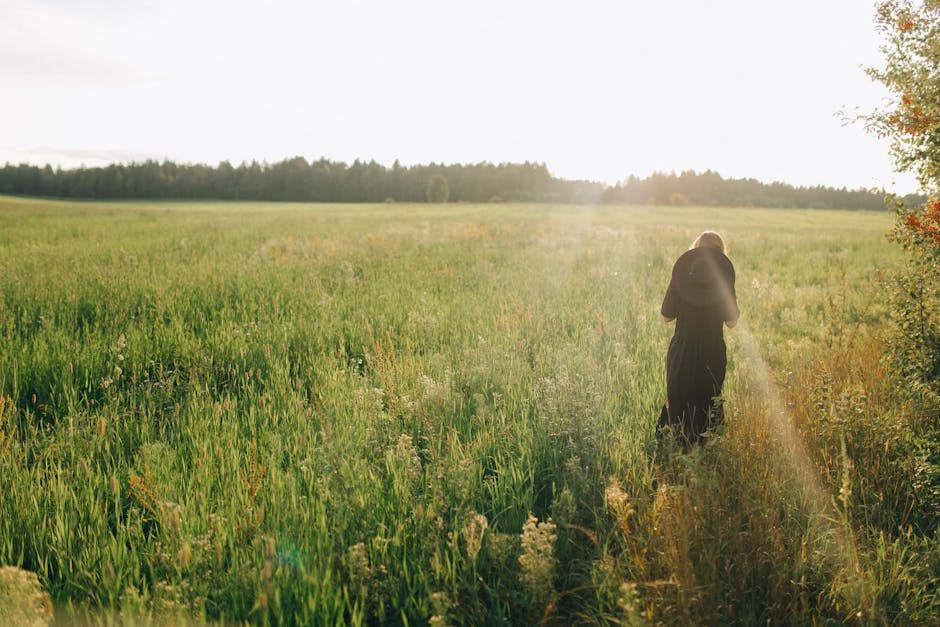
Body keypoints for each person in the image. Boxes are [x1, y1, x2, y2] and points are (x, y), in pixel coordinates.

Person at [657, 231, 739, 448]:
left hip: (682, 348)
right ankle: (703, 449)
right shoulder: (722, 281)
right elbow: (732, 322)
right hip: (712, 350)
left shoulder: (683, 277)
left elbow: (666, 316)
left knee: (678, 397)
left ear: (696, 250)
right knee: (708, 399)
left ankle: (676, 446)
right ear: (721, 255)